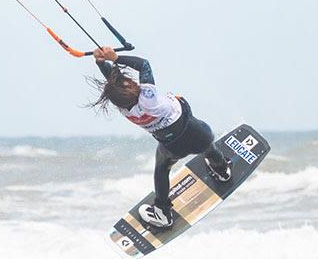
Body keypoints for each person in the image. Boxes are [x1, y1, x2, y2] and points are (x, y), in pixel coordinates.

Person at [91, 46, 231, 229]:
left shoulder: (125, 109)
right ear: (131, 89)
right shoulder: (148, 98)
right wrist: (115, 58)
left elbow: (115, 85)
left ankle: (162, 212)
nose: (132, 82)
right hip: (200, 135)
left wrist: (100, 62)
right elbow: (144, 66)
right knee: (206, 144)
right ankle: (221, 169)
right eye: (129, 83)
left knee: (162, 168)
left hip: (173, 146)